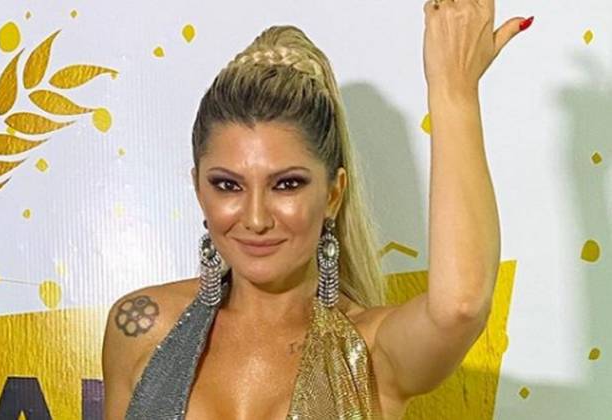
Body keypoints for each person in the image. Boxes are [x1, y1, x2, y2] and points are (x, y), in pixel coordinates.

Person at [102, 1, 532, 418]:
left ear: (333, 194)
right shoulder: (140, 327)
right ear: (199, 189)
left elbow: (460, 307)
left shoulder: (370, 353)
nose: (255, 218)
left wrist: (453, 90)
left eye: (286, 184)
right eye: (228, 185)